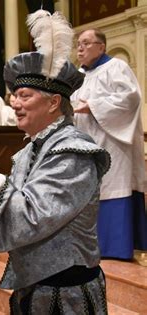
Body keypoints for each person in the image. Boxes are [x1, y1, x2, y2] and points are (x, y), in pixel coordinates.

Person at [0, 10, 111, 313]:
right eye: (14, 95)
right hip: (34, 286)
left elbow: (29, 217)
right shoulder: (27, 151)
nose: (14, 103)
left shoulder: (74, 153)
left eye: (23, 95)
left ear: (53, 103)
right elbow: (6, 211)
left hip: (66, 295)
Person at [71, 28, 147, 260]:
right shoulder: (78, 75)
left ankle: (116, 247)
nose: (80, 48)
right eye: (78, 44)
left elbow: (130, 97)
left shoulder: (117, 67)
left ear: (101, 46)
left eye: (85, 43)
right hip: (86, 144)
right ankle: (90, 244)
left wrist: (93, 105)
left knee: (113, 186)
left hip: (114, 144)